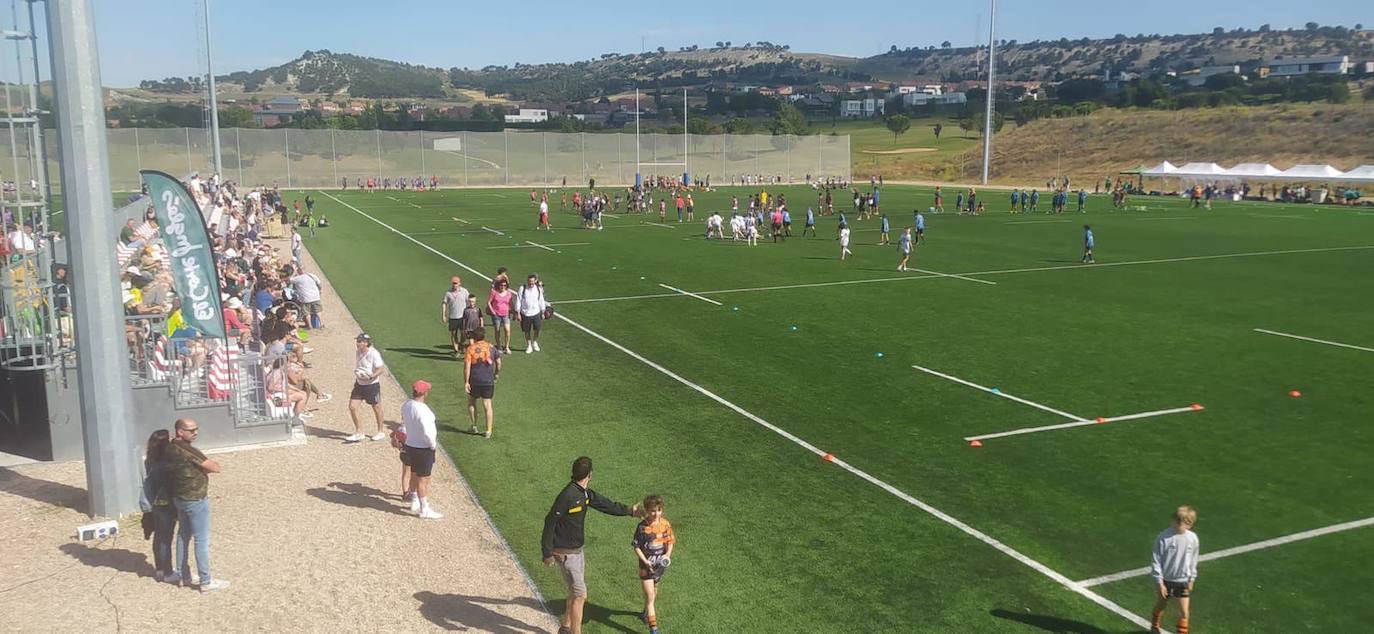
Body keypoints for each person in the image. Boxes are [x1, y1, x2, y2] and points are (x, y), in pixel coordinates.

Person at [541, 457, 643, 634]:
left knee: (574, 592)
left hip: (577, 551)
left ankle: (565, 627)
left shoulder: (584, 493)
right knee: (581, 595)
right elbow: (550, 521)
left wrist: (629, 511)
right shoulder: (567, 495)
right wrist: (547, 553)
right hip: (565, 553)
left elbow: (604, 504)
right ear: (590, 475)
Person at [165, 418, 228, 592]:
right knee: (201, 540)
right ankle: (206, 580)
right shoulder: (188, 450)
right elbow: (215, 467)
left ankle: (183, 575)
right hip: (195, 499)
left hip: (180, 498)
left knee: (183, 536)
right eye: (191, 430)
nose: (196, 433)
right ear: (180, 431)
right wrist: (204, 468)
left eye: (196, 429)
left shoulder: (171, 447)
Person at [1150, 506, 1200, 634]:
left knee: (1184, 612)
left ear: (1189, 524)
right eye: (1175, 520)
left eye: (1180, 522)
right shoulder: (1163, 537)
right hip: (1166, 580)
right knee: (1161, 605)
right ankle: (1154, 626)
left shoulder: (1193, 538)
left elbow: (1194, 559)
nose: (1176, 524)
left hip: (1182, 580)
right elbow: (1156, 560)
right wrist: (1160, 583)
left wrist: (1192, 578)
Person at [632, 495, 676, 634]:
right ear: (646, 510)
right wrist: (645, 561)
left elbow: (670, 542)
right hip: (646, 567)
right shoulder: (642, 527)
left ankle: (645, 612)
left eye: (658, 510)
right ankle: (654, 629)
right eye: (652, 510)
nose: (655, 513)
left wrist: (667, 555)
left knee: (654, 589)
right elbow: (636, 546)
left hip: (659, 566)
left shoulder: (665, 524)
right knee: (650, 596)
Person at [401, 380, 443, 519]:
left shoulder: (406, 405)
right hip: (423, 448)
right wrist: (432, 445)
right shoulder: (425, 411)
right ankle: (424, 508)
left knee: (413, 473)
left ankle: (414, 500)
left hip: (410, 445)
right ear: (425, 393)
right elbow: (428, 433)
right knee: (423, 479)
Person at [140, 429, 177, 582]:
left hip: (154, 503)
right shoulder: (166, 464)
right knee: (166, 538)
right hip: (166, 503)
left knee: (159, 536)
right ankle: (168, 571)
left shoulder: (150, 460)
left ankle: (160, 568)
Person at [346, 333, 387, 443]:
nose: (357, 343)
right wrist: (358, 372)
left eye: (360, 341)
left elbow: (380, 369)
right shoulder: (358, 352)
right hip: (359, 384)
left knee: (376, 407)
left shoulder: (374, 354)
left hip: (371, 385)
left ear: (366, 343)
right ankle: (359, 432)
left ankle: (380, 431)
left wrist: (371, 376)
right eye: (357, 341)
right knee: (352, 407)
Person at [464, 330, 502, 438]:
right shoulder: (491, 347)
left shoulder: (470, 349)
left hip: (474, 380)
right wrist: (496, 374)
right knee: (487, 405)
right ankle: (488, 430)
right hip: (488, 380)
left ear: (475, 337)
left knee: (471, 402)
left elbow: (467, 366)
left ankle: (474, 425)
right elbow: (498, 363)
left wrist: (466, 381)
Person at [515, 273, 549, 353]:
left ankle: (535, 342)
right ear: (527, 281)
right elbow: (518, 300)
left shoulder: (538, 289)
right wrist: (518, 313)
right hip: (525, 314)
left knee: (537, 329)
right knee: (527, 331)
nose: (531, 283)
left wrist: (543, 312)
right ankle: (529, 345)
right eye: (529, 281)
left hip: (536, 313)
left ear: (535, 281)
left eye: (532, 281)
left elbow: (541, 300)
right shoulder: (522, 288)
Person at [442, 276, 470, 357]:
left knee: (464, 334)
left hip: (463, 317)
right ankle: (456, 350)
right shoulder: (448, 293)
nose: (454, 285)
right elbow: (444, 303)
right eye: (453, 283)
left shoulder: (464, 291)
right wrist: (444, 315)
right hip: (453, 317)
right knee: (454, 334)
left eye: (456, 283)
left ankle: (461, 344)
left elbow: (469, 301)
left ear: (459, 283)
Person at [487, 278, 515, 354]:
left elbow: (511, 303)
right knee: (497, 330)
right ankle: (499, 346)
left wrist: (513, 312)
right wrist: (493, 311)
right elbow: (489, 302)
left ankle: (506, 347)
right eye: (501, 285)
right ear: (498, 285)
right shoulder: (494, 292)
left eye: (504, 285)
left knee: (507, 330)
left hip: (506, 314)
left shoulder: (509, 293)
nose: (503, 286)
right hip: (497, 314)